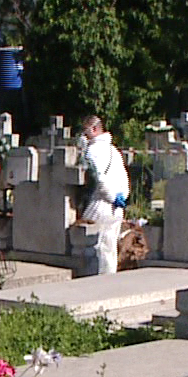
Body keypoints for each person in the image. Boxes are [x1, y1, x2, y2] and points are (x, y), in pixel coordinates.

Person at [78, 115, 130, 275]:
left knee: (99, 249)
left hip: (102, 204)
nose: (84, 135)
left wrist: (112, 197)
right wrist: (122, 197)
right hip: (116, 206)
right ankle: (110, 282)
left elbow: (99, 177)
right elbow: (124, 177)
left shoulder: (93, 150)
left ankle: (100, 283)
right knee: (111, 247)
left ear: (94, 130)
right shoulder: (113, 149)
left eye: (86, 131)